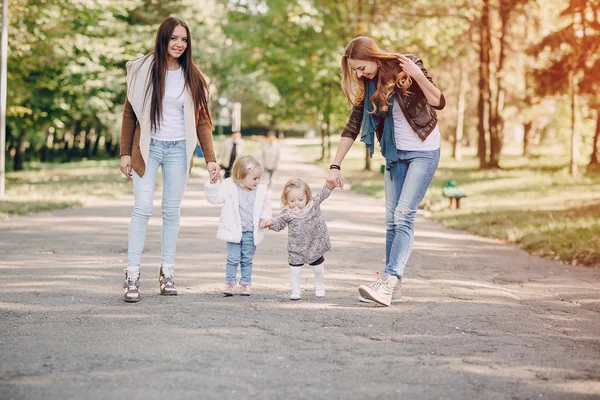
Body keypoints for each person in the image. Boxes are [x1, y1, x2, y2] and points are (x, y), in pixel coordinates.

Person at [326, 36, 446, 307]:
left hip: (424, 150)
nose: (359, 73)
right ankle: (396, 288)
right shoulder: (369, 86)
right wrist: (335, 165)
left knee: (404, 216)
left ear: (372, 56)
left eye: (361, 67)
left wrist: (417, 75)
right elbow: (352, 126)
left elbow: (438, 102)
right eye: (354, 70)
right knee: (391, 220)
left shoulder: (408, 65)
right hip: (395, 155)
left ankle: (388, 281)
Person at [119, 16, 220, 303]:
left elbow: (202, 121)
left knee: (171, 212)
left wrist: (210, 159)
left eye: (184, 39)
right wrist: (125, 152)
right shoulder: (141, 70)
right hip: (146, 149)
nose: (179, 44)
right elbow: (130, 114)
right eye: (174, 38)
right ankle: (132, 274)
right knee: (141, 208)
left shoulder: (193, 76)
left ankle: (167, 272)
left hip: (179, 149)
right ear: (163, 39)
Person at [205, 155, 272, 296]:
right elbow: (214, 199)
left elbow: (266, 207)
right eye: (254, 178)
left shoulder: (261, 191)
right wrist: (213, 184)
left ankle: (245, 284)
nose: (258, 181)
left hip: (250, 232)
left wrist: (265, 219)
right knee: (233, 258)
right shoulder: (229, 187)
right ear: (241, 176)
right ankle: (229, 283)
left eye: (259, 178)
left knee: (247, 259)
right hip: (234, 231)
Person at [261, 179, 335, 300]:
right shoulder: (288, 213)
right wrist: (269, 223)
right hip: (296, 247)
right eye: (292, 200)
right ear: (286, 200)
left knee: (318, 269)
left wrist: (330, 186)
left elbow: (322, 194)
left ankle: (319, 286)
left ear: (307, 196)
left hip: (314, 244)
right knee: (295, 271)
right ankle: (295, 291)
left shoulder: (313, 205)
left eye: (300, 200)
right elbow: (279, 222)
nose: (296, 203)